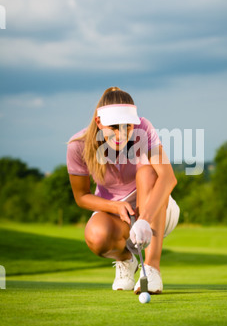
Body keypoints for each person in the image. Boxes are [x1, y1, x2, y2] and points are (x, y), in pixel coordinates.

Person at [66, 87, 180, 294]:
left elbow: (167, 178)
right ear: (99, 122)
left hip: (158, 210)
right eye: (114, 127)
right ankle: (126, 261)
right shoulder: (78, 145)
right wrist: (114, 206)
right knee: (97, 236)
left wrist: (145, 218)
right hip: (118, 217)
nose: (121, 134)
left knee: (148, 172)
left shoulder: (143, 128)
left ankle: (152, 269)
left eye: (127, 126)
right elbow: (81, 197)